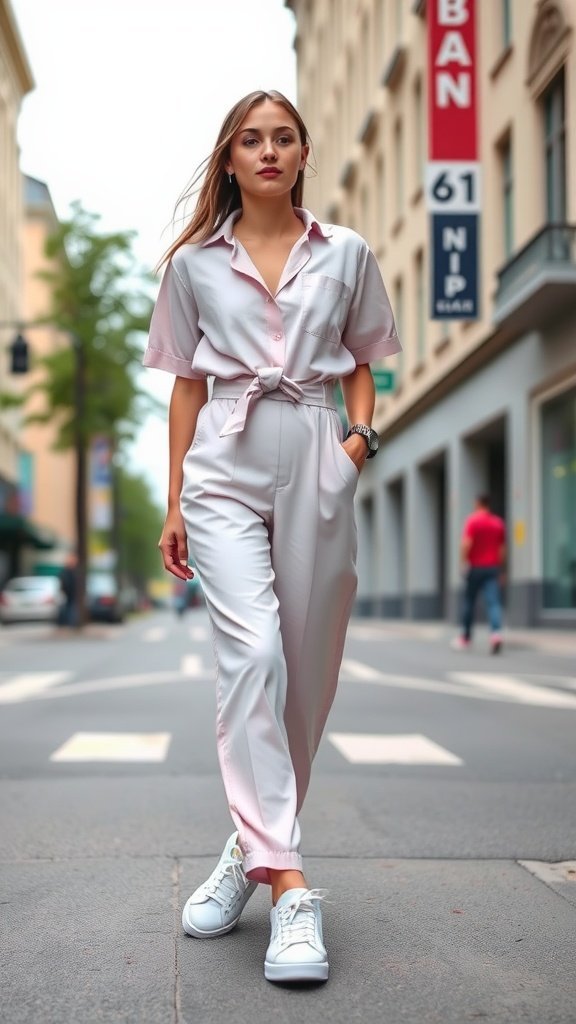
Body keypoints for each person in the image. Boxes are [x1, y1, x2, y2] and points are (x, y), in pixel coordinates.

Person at [143, 89, 400, 984]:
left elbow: (365, 359)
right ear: (228, 158)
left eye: (283, 137)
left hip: (316, 446)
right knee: (253, 654)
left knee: (307, 679)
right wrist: (174, 499)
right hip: (223, 457)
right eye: (250, 139)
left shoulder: (349, 254)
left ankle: (243, 851)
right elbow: (182, 382)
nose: (268, 151)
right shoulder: (192, 268)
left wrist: (357, 444)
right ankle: (290, 888)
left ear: (301, 154)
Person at [453, 494, 506, 654]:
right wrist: (501, 569)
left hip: (475, 567)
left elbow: (466, 544)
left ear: (477, 503)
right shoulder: (498, 523)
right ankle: (496, 634)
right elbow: (502, 549)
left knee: (469, 602)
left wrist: (463, 563)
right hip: (492, 568)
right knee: (493, 603)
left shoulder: (473, 521)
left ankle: (466, 638)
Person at [57, 551, 79, 628]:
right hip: (68, 595)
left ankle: (71, 624)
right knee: (67, 610)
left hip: (73, 596)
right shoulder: (65, 572)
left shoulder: (75, 571)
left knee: (72, 610)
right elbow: (63, 583)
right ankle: (67, 624)